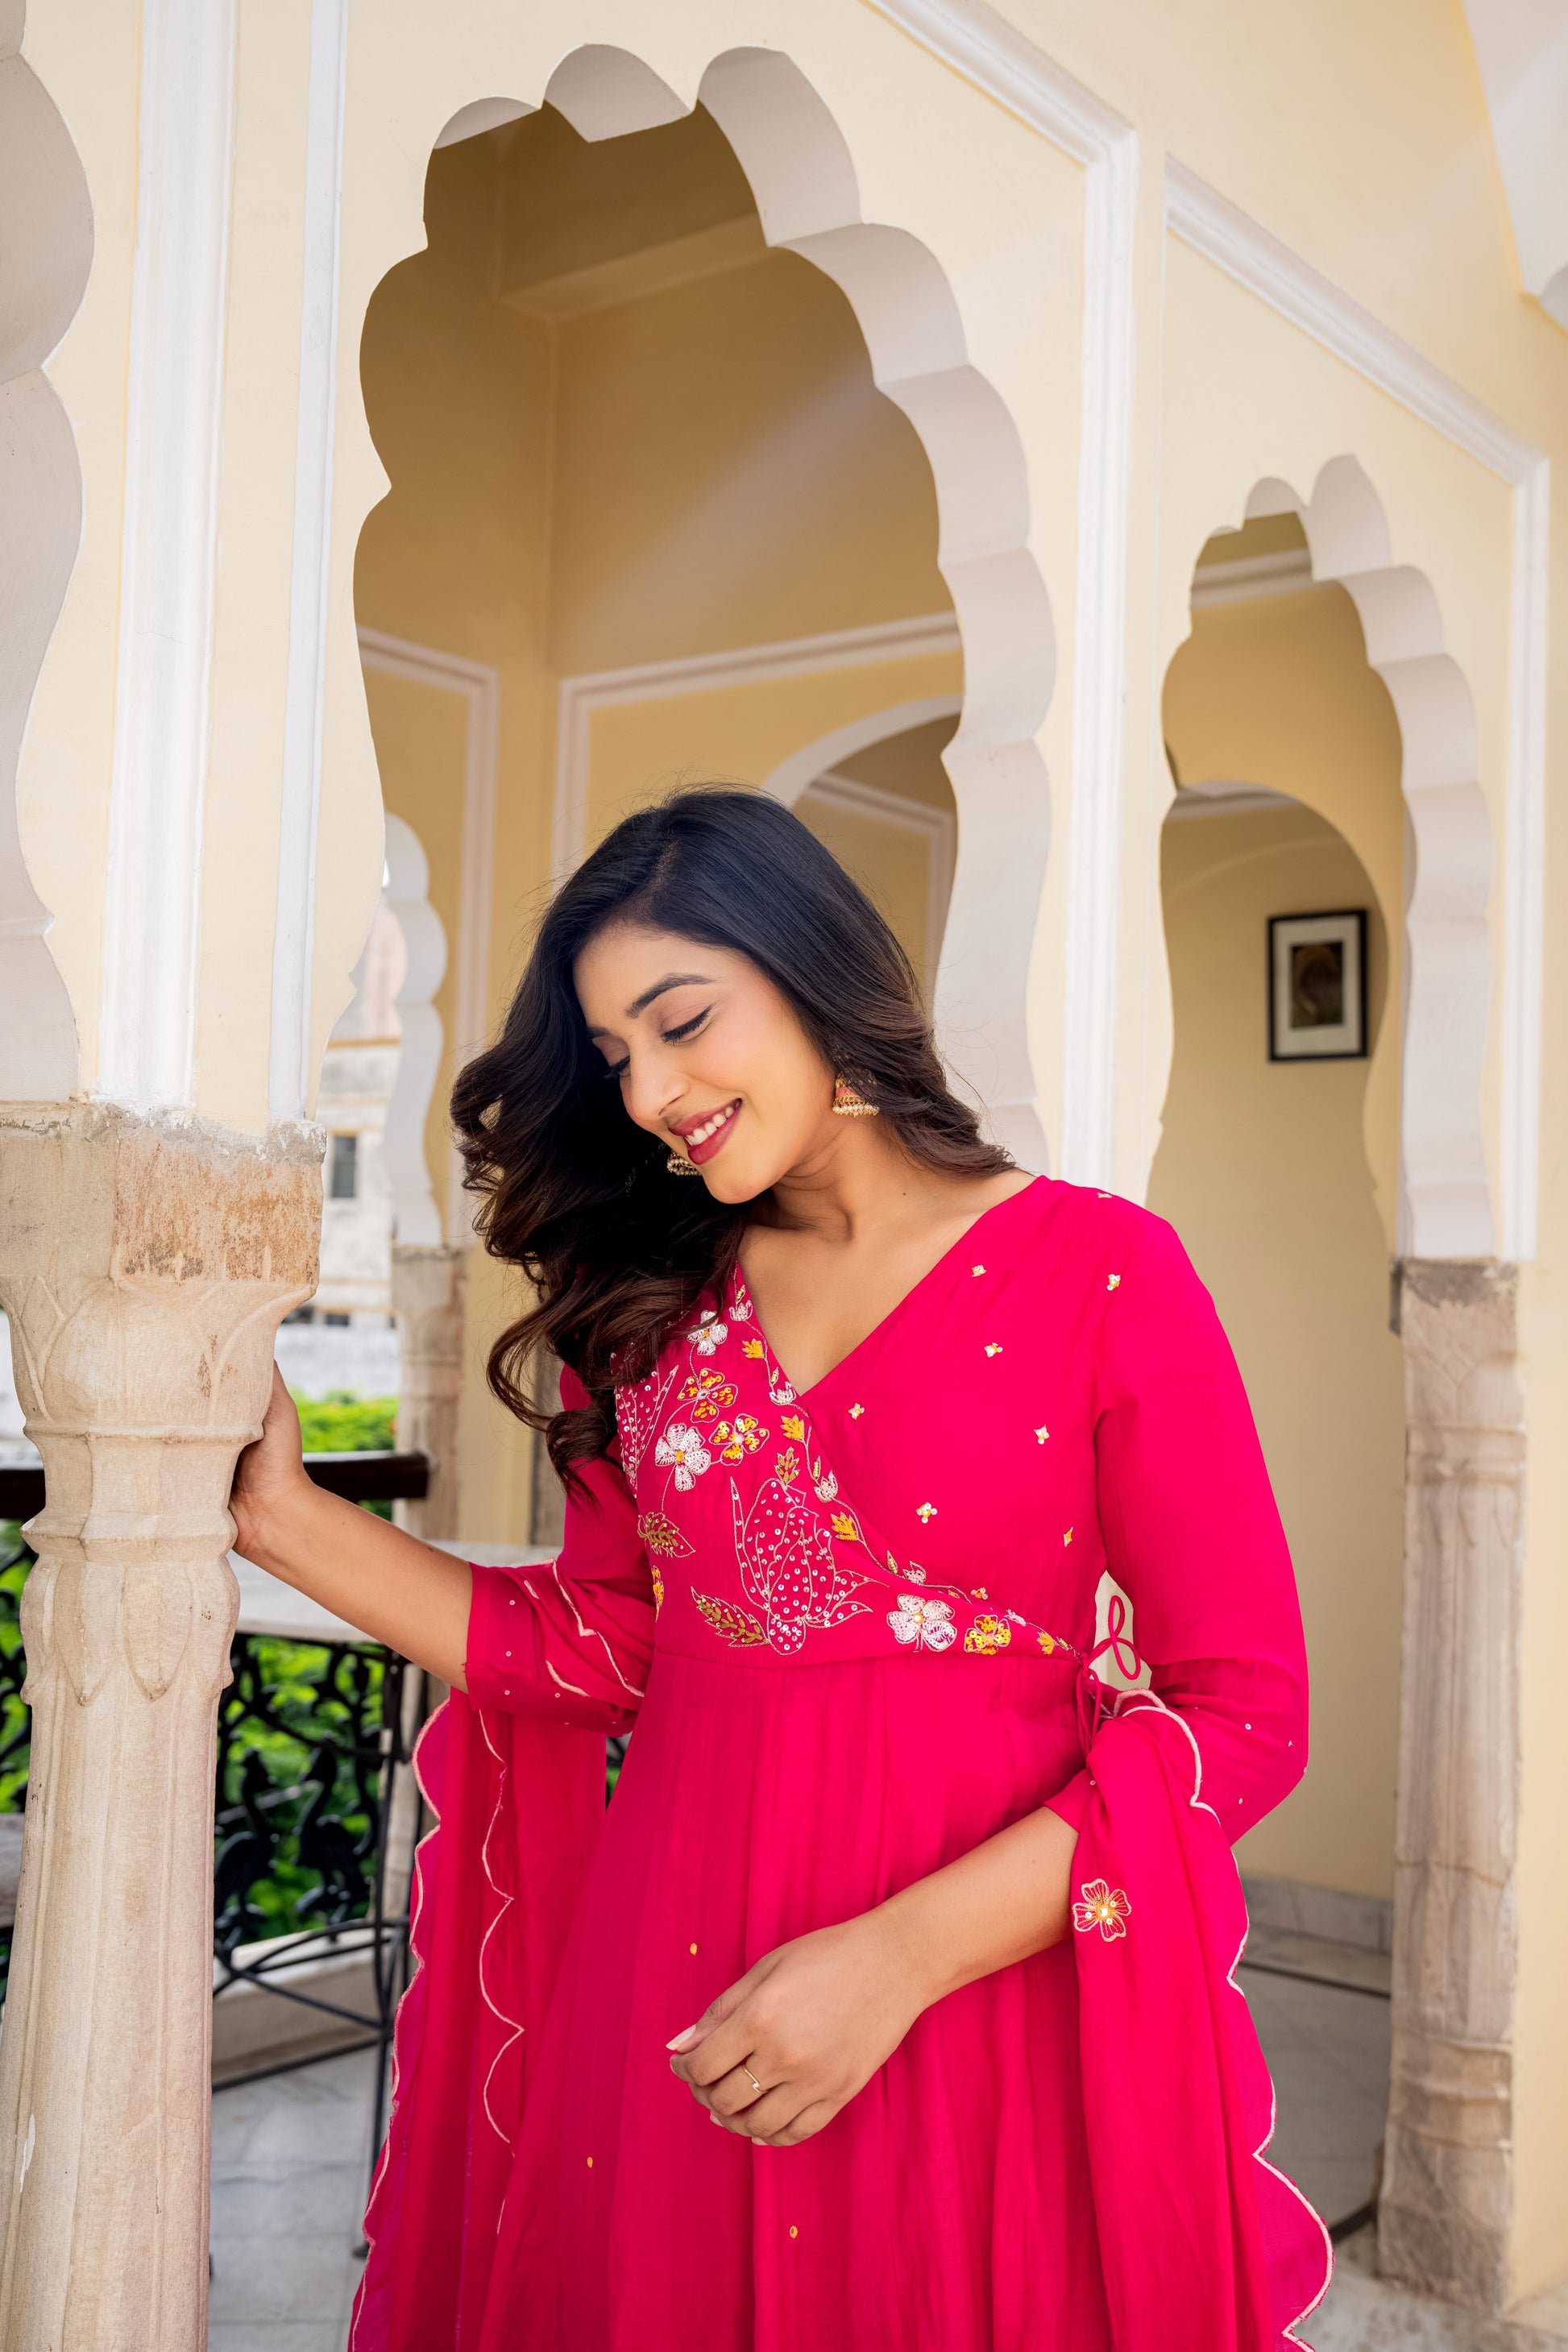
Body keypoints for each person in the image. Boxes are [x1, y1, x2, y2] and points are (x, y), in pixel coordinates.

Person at [230, 788, 1330, 2351]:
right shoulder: (649, 1306)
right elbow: (606, 1647)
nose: (654, 1090)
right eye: (615, 1058)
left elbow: (1243, 1716)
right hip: (674, 1987)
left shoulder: (1099, 1271)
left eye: (681, 1022)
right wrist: (287, 1520)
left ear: (815, 971)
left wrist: (894, 1959)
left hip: (978, 1991)